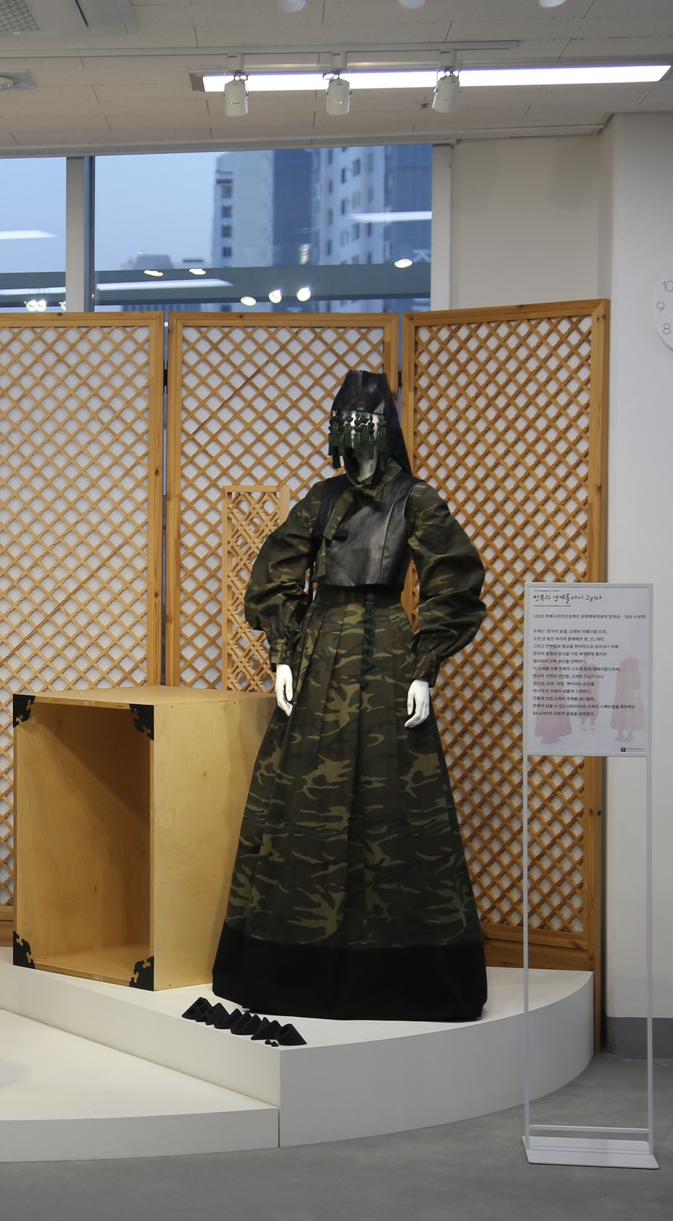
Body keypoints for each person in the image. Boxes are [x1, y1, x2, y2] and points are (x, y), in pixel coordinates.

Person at [211, 370, 489, 1022]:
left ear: (384, 431)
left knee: (394, 800)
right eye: (346, 427)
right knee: (304, 799)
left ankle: (401, 974)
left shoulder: (416, 499)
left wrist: (425, 667)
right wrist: (283, 653)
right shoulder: (322, 498)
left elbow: (454, 581)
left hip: (388, 654)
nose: (356, 441)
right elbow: (277, 572)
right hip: (318, 653)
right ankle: (290, 967)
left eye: (366, 428)